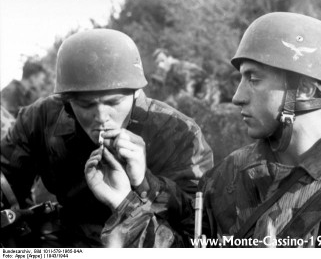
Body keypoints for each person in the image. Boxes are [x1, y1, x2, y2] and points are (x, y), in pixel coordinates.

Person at [99, 12, 321, 248]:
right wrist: (126, 201)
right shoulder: (227, 175)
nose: (237, 96)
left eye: (254, 79)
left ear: (306, 89)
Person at [0, 29, 213, 247]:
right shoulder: (42, 119)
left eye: (113, 103)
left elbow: (196, 238)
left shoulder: (179, 135)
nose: (101, 117)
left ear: (136, 92)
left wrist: (144, 183)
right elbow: (5, 182)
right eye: (86, 105)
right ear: (67, 100)